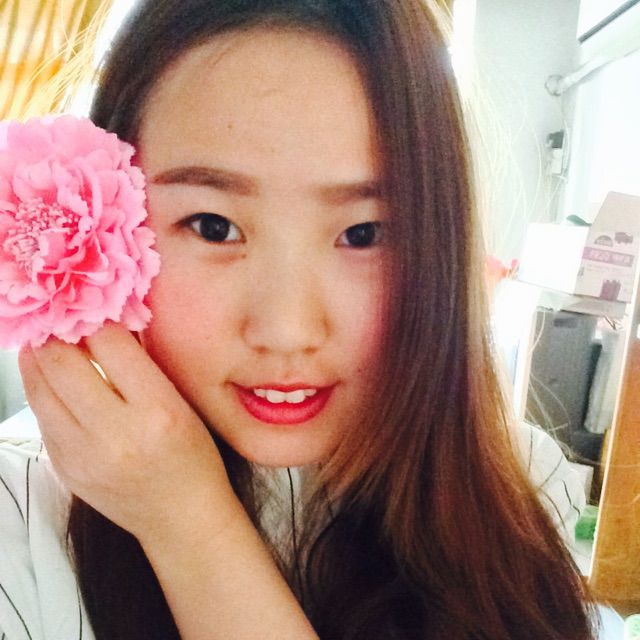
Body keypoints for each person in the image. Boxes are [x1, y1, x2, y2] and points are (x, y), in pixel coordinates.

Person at [0, 1, 597, 638]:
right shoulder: (19, 517)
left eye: (364, 233)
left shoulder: (528, 488)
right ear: (100, 224)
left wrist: (187, 523)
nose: (287, 331)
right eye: (213, 227)